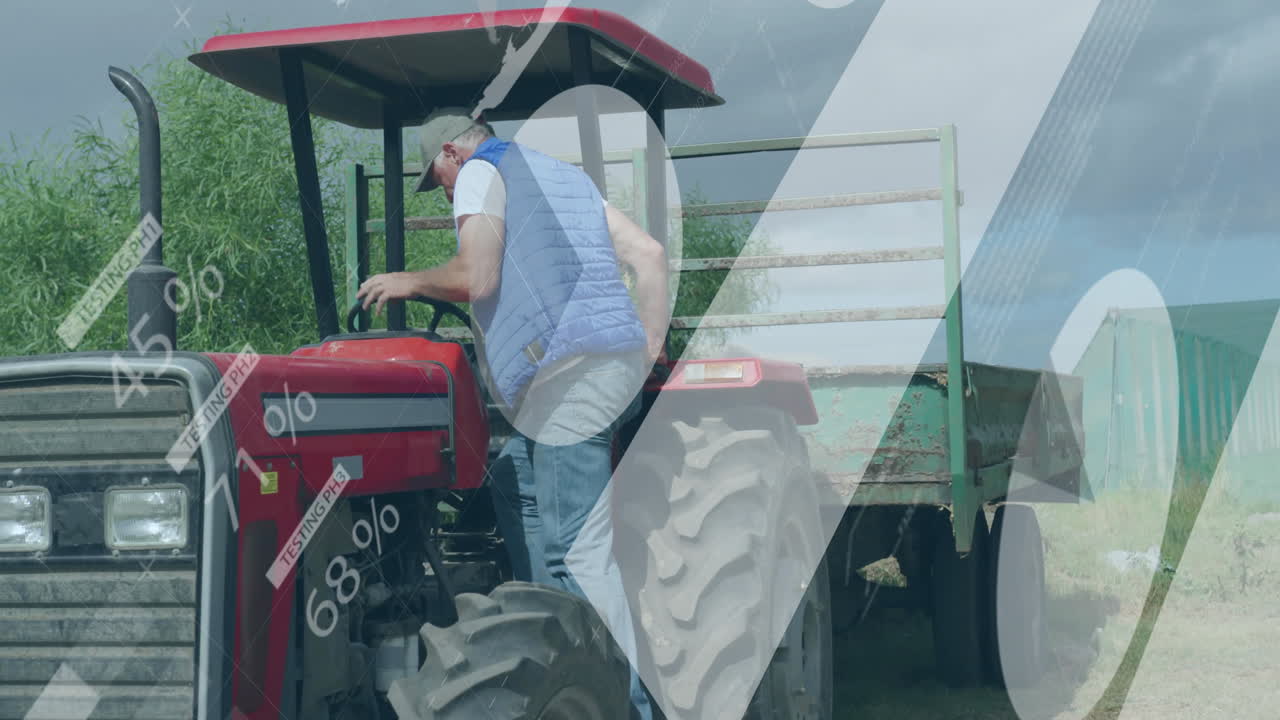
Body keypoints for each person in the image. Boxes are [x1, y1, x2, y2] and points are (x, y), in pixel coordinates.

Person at [356, 107, 668, 720]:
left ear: (452, 153)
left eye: (438, 179)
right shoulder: (564, 177)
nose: (446, 193)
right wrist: (648, 347)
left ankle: (626, 703)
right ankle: (545, 651)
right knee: (510, 481)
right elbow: (650, 254)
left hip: (572, 379)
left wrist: (408, 281)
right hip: (591, 374)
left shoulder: (481, 173)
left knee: (573, 549)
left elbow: (477, 275)